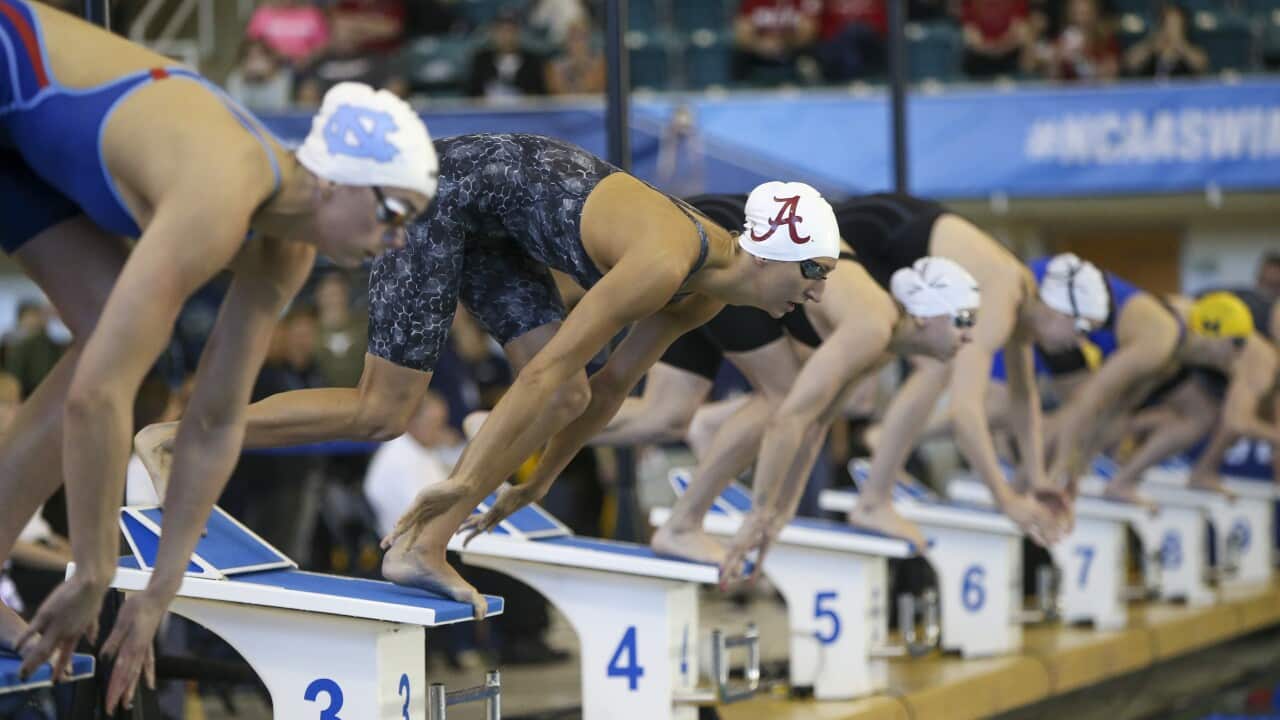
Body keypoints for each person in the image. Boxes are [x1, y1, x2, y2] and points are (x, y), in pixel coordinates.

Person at [134, 138, 836, 621]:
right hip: (442, 192)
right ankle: (174, 437)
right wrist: (466, 483)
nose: (815, 294)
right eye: (815, 274)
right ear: (774, 254)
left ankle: (420, 544)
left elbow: (608, 386)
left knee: (571, 393)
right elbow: (555, 366)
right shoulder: (664, 261)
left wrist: (538, 480)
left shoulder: (703, 292)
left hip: (497, 223)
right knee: (382, 410)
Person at [0, 2, 435, 707]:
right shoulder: (221, 192)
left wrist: (156, 596)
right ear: (339, 180)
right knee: (115, 365)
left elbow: (213, 422)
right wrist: (91, 572)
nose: (396, 242)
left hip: (19, 136)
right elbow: (95, 397)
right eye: (394, 215)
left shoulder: (285, 251)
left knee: (122, 347)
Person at [842, 199, 1083, 551]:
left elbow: (1023, 396)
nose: (1077, 342)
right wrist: (1005, 499)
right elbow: (963, 410)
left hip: (887, 230)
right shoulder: (1003, 298)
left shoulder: (1021, 296)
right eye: (1080, 330)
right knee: (936, 363)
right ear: (1060, 312)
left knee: (921, 360)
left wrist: (1037, 478)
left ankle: (877, 465)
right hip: (870, 233)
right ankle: (873, 500)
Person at [1123, 4, 1207, 80]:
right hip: (1151, 94)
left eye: (1175, 24)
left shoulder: (1190, 48)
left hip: (1181, 94)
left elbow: (1201, 65)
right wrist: (1151, 44)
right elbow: (1131, 63)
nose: (1171, 28)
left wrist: (1179, 43)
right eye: (1168, 24)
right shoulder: (1152, 45)